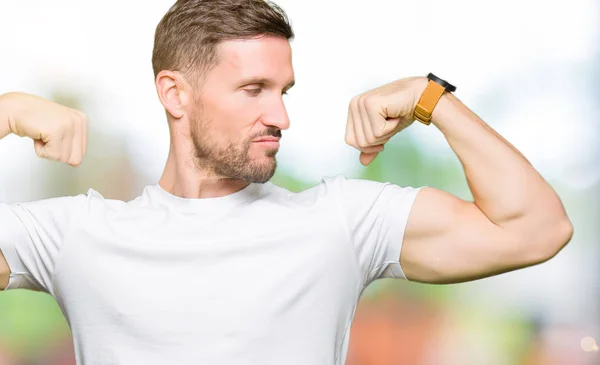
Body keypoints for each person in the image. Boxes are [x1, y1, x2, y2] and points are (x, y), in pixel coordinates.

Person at [0, 0, 573, 364]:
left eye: (284, 91)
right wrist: (4, 114)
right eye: (254, 89)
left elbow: (536, 229)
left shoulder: (339, 223)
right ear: (175, 94)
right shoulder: (75, 233)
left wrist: (433, 100)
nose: (281, 116)